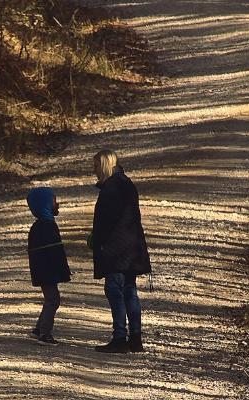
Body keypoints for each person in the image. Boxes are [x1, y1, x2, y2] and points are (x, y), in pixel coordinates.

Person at [92, 149, 151, 353]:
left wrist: (96, 241)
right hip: (132, 251)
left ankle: (119, 338)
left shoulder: (111, 188)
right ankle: (135, 338)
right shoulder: (126, 184)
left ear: (105, 165)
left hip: (116, 252)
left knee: (115, 292)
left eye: (96, 166)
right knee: (130, 292)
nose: (94, 171)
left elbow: (105, 223)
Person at [26, 187, 71, 346]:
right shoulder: (44, 227)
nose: (57, 204)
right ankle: (45, 333)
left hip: (47, 272)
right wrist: (60, 271)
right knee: (52, 300)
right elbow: (52, 253)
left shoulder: (45, 225)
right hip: (46, 272)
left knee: (51, 299)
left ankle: (38, 329)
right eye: (53, 201)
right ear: (44, 204)